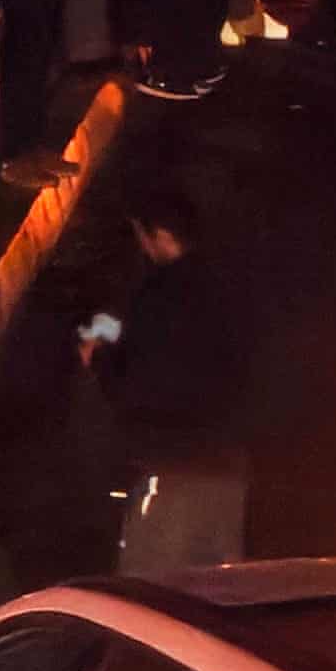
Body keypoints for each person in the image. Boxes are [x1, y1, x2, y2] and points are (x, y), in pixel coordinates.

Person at [85, 191, 252, 573]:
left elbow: (137, 387)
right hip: (229, 469)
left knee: (148, 591)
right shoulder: (227, 287)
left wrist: (98, 359)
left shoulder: (156, 298)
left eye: (142, 237)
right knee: (221, 587)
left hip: (173, 469)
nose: (142, 247)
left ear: (159, 235)